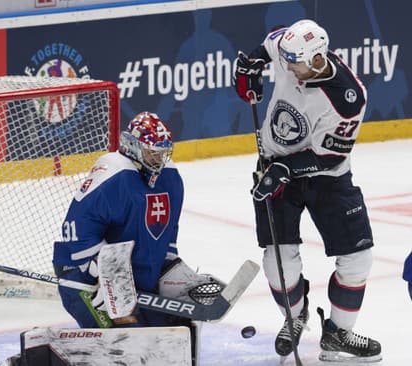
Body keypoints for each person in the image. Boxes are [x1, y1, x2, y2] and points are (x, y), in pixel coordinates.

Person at [234, 19, 382, 363]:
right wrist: (252, 63)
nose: (286, 67)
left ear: (317, 59)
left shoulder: (347, 98)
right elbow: (271, 43)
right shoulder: (293, 52)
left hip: (327, 175)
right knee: (276, 263)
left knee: (358, 258)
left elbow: (329, 156)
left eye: (294, 62)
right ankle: (296, 316)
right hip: (274, 165)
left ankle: (338, 334)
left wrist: (286, 169)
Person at [51, 111, 212, 364]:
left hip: (136, 285)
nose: (158, 158)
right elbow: (76, 231)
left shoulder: (170, 178)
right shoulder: (112, 174)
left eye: (162, 152)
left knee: (167, 339)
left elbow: (167, 234)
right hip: (86, 281)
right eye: (151, 152)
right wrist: (104, 274)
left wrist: (171, 269)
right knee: (131, 350)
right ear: (132, 147)